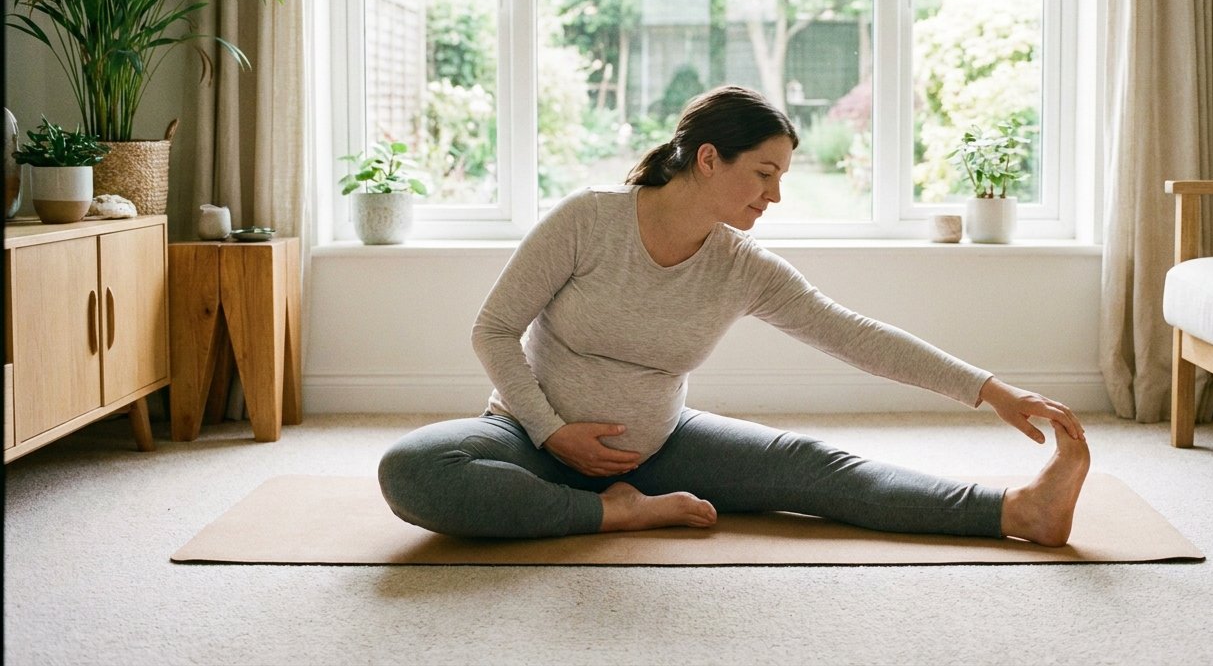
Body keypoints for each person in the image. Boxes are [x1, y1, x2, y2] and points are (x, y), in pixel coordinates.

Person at [378, 85, 1091, 547]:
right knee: (413, 469)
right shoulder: (588, 221)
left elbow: (855, 336)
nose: (774, 197)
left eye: (782, 178)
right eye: (765, 173)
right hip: (526, 438)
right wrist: (553, 432)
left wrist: (991, 389)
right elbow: (493, 329)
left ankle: (1017, 512)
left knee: (821, 469)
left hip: (661, 447)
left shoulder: (744, 266)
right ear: (710, 159)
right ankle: (614, 513)